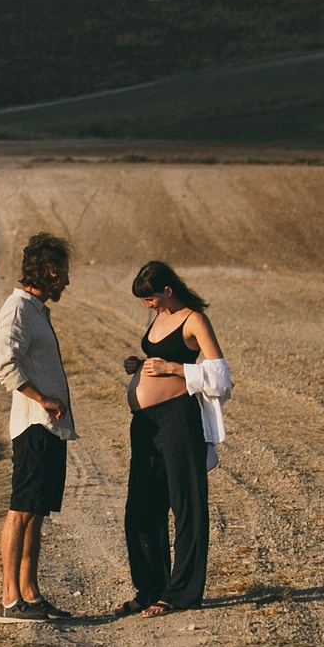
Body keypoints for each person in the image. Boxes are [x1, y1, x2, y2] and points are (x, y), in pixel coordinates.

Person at [120, 259, 231, 617]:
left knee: (187, 507)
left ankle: (181, 593)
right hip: (146, 425)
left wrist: (173, 368)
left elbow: (220, 375)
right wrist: (140, 366)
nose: (147, 306)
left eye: (150, 298)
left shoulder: (194, 319)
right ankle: (151, 588)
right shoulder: (159, 316)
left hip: (178, 421)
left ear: (167, 290)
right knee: (141, 507)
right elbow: (157, 357)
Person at [0, 231, 77, 624]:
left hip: (49, 428)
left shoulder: (35, 310)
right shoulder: (18, 309)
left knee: (36, 513)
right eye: (60, 272)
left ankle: (30, 595)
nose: (66, 281)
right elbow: (3, 362)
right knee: (21, 511)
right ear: (44, 271)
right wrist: (41, 398)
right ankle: (11, 601)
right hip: (33, 427)